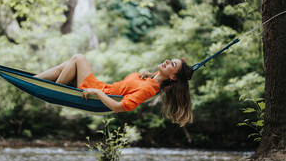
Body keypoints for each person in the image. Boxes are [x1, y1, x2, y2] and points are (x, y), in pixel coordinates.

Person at [35, 54, 194, 126]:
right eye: (170, 60)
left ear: (173, 78)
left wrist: (97, 93)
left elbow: (120, 107)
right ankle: (34, 80)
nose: (167, 61)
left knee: (78, 58)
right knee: (67, 65)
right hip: (100, 87)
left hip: (96, 91)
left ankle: (55, 92)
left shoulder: (149, 88)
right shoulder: (149, 79)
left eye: (172, 64)